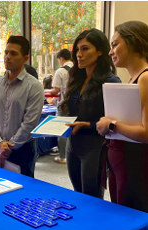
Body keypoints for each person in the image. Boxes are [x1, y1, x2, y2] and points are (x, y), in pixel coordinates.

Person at [60, 28, 121, 198]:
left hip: (95, 146)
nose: (79, 54)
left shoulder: (111, 82)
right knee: (78, 195)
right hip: (73, 145)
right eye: (77, 49)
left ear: (100, 51)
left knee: (92, 198)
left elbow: (115, 122)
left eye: (85, 49)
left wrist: (88, 124)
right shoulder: (76, 77)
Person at [96, 21, 148, 212]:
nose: (111, 52)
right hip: (122, 162)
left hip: (134, 165)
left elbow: (146, 132)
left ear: (133, 42)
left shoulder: (145, 78)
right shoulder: (134, 78)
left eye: (115, 44)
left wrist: (111, 125)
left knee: (132, 217)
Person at [0, 35, 44, 177]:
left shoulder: (34, 86)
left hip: (22, 149)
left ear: (25, 58)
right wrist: (0, 144)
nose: (7, 57)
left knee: (23, 193)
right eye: (6, 52)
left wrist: (9, 146)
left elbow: (29, 123)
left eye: (13, 53)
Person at [45, 49, 73, 164]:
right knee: (73, 129)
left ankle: (63, 157)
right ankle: (71, 155)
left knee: (62, 130)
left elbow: (55, 90)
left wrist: (45, 91)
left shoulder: (60, 71)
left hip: (64, 104)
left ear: (61, 59)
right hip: (77, 104)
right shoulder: (78, 68)